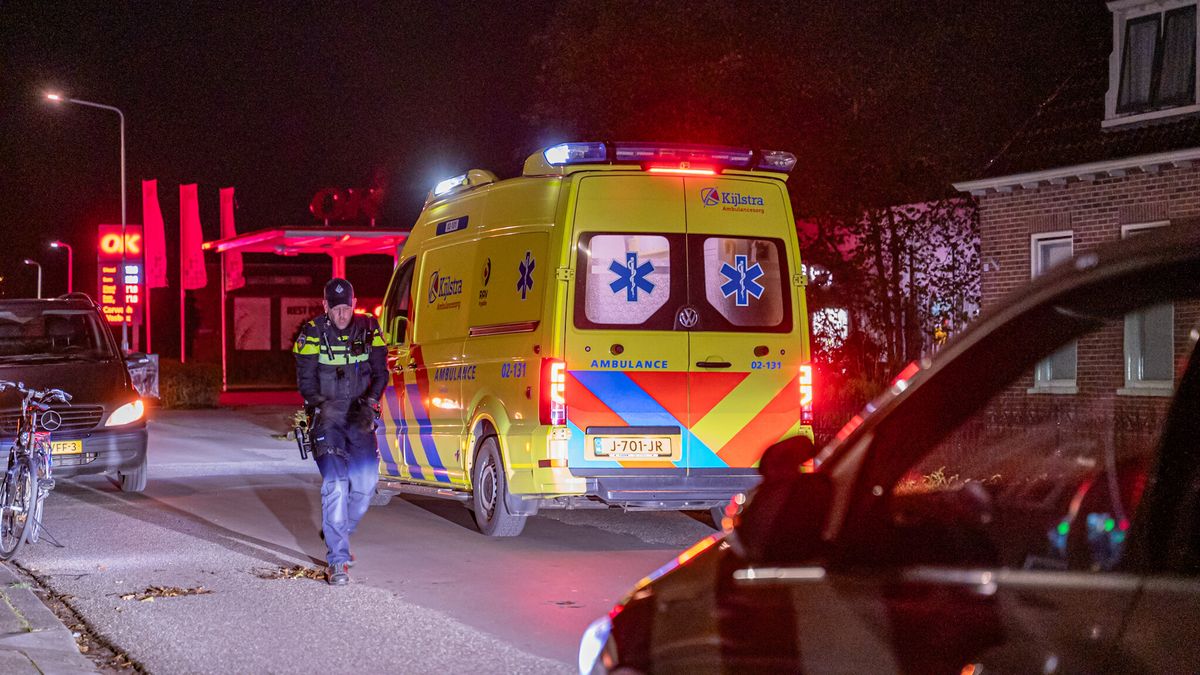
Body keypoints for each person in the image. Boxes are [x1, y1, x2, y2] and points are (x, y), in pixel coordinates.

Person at [293, 278, 387, 585]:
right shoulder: (312, 333)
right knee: (335, 484)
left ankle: (339, 530)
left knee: (366, 485)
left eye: (346, 307)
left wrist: (370, 403)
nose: (342, 314)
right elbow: (305, 381)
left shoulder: (369, 329)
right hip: (327, 420)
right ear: (325, 307)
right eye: (335, 309)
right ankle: (337, 560)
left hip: (359, 417)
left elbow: (381, 372)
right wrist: (321, 405)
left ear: (354, 304)